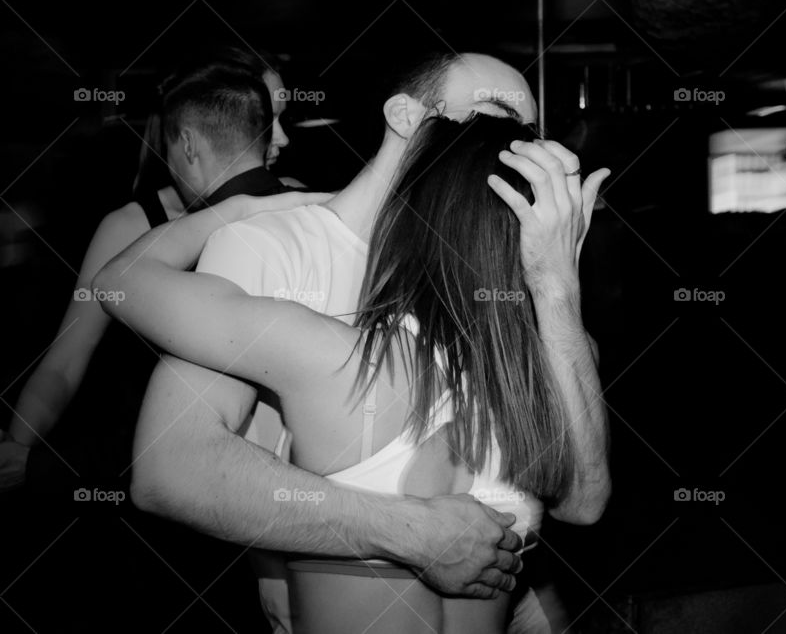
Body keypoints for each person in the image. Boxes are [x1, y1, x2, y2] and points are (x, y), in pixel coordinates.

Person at [129, 52, 610, 633]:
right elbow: (173, 468)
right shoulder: (271, 245)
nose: (517, 145)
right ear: (405, 115)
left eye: (526, 132)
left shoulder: (498, 289)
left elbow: (580, 498)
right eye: (493, 112)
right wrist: (410, 531)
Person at [0, 47, 304, 489]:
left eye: (279, 119)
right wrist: (15, 450)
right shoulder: (129, 227)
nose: (279, 138)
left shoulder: (290, 205)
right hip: (132, 467)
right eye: (266, 120)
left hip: (257, 470)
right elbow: (64, 362)